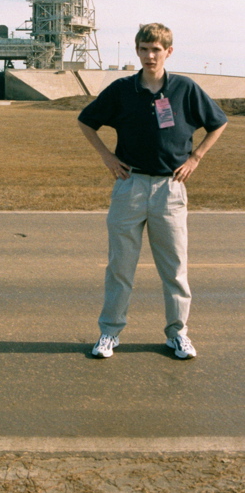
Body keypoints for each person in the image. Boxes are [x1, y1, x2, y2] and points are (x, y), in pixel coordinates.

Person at [77, 23, 227, 359]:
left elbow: (218, 122)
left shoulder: (185, 89)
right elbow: (87, 120)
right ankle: (109, 333)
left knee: (174, 268)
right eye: (144, 48)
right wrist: (107, 157)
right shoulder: (122, 90)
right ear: (137, 51)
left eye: (156, 49)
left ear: (168, 52)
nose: (149, 55)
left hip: (169, 189)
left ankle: (177, 334)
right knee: (120, 266)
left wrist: (196, 157)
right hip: (129, 186)